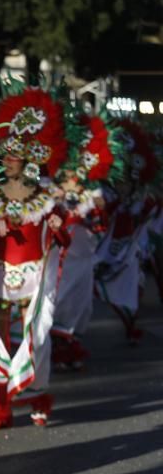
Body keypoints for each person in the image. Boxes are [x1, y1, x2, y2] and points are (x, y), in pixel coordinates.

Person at [0, 86, 71, 430]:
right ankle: (0, 403)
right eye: (7, 155)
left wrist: (59, 224)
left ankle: (37, 395)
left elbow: (62, 237)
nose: (10, 160)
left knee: (37, 338)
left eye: (17, 156)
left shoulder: (46, 196)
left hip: (35, 277)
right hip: (0, 276)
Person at [51, 113, 117, 370]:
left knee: (79, 303)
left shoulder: (93, 190)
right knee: (58, 300)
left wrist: (95, 209)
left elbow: (100, 224)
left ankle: (69, 345)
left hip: (83, 255)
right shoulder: (51, 188)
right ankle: (56, 348)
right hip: (60, 256)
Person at [94, 119, 158, 345]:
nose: (122, 184)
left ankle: (132, 322)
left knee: (133, 282)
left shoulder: (141, 197)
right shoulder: (105, 195)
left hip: (131, 247)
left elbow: (151, 211)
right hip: (105, 248)